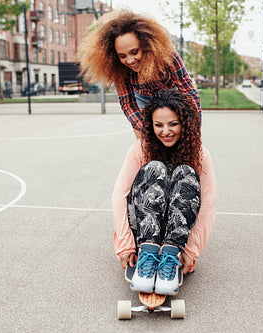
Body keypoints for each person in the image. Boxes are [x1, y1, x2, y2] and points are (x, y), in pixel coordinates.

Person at [111, 89, 215, 295]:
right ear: (151, 125)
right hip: (143, 226)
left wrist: (191, 251)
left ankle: (169, 255)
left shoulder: (200, 154)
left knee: (185, 172)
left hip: (177, 232)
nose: (165, 131)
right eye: (159, 125)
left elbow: (208, 205)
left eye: (173, 124)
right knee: (155, 168)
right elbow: (119, 195)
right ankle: (147, 255)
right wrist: (125, 245)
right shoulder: (141, 148)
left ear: (184, 124)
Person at [78, 9, 201, 138]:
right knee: (145, 143)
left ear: (146, 45)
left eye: (134, 52)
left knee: (178, 137)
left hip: (172, 93)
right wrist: (149, 134)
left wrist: (194, 129)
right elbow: (128, 103)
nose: (130, 60)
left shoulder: (167, 55)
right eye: (122, 55)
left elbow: (188, 92)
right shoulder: (118, 67)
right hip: (142, 98)